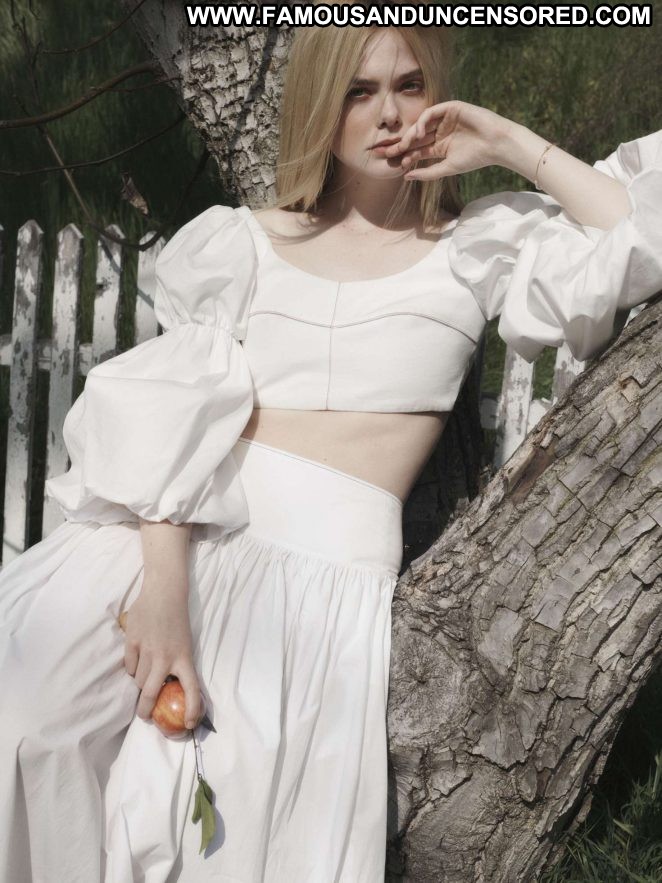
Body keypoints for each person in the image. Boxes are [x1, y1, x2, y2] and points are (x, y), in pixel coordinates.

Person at [1, 23, 661, 883]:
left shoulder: (477, 247)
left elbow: (641, 233)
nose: (389, 113)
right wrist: (164, 596)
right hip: (160, 547)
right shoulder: (246, 242)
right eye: (358, 90)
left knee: (199, 845)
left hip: (311, 592)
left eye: (410, 84)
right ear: (321, 103)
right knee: (27, 731)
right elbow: (171, 422)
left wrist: (506, 141)